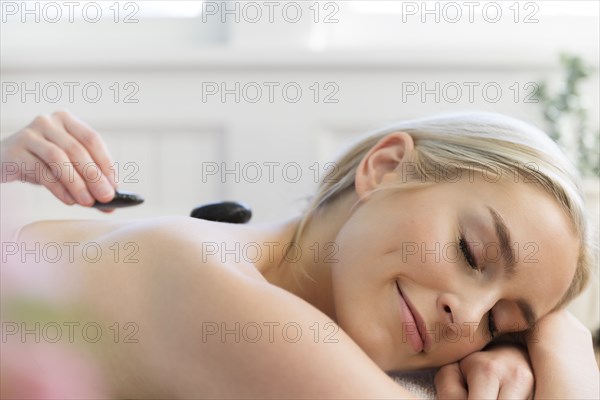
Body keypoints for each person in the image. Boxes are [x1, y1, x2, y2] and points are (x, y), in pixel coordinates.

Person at [1, 110, 598, 399]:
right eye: (471, 253)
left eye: (498, 322)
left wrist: (517, 355)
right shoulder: (210, 279)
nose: (466, 317)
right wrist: (564, 347)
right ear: (385, 167)